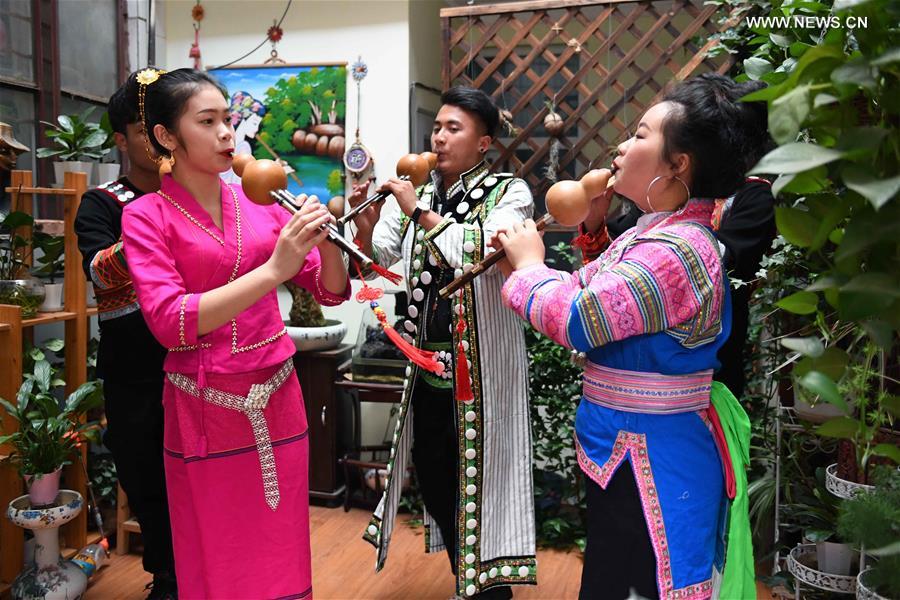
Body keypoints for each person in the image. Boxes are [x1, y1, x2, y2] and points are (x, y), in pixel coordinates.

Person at [495, 73, 757, 600]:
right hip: (623, 444)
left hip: (655, 454)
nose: (621, 145)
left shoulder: (679, 248)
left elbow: (582, 317)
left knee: (646, 582)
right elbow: (608, 299)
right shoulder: (651, 232)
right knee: (616, 576)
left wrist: (527, 267)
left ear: (678, 164)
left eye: (640, 135)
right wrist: (578, 242)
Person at [120, 67, 350, 599]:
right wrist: (272, 272)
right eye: (208, 121)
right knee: (218, 552)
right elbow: (170, 322)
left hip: (277, 399)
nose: (228, 132)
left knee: (282, 546)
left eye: (228, 119)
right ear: (165, 137)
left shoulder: (261, 203)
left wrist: (331, 237)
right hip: (206, 409)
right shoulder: (146, 217)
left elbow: (331, 289)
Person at [348, 86, 536, 599]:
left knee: (483, 478)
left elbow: (478, 252)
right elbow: (381, 261)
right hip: (428, 364)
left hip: (483, 367)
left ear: (483, 143)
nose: (440, 136)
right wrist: (362, 226)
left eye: (455, 128)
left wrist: (418, 214)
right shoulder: (418, 191)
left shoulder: (509, 193)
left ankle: (487, 589)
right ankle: (468, 577)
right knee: (433, 477)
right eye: (437, 127)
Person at [580, 78, 776, 399]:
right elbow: (606, 262)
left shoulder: (753, 197)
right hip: (628, 380)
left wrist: (530, 271)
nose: (624, 146)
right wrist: (593, 218)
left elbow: (720, 268)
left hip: (702, 373)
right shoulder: (659, 203)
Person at [74, 72, 176, 600]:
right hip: (135, 375)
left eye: (166, 129)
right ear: (121, 139)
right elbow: (98, 273)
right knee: (150, 485)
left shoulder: (200, 197)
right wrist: (152, 220)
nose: (158, 142)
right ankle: (165, 579)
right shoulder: (102, 204)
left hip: (198, 366)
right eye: (144, 131)